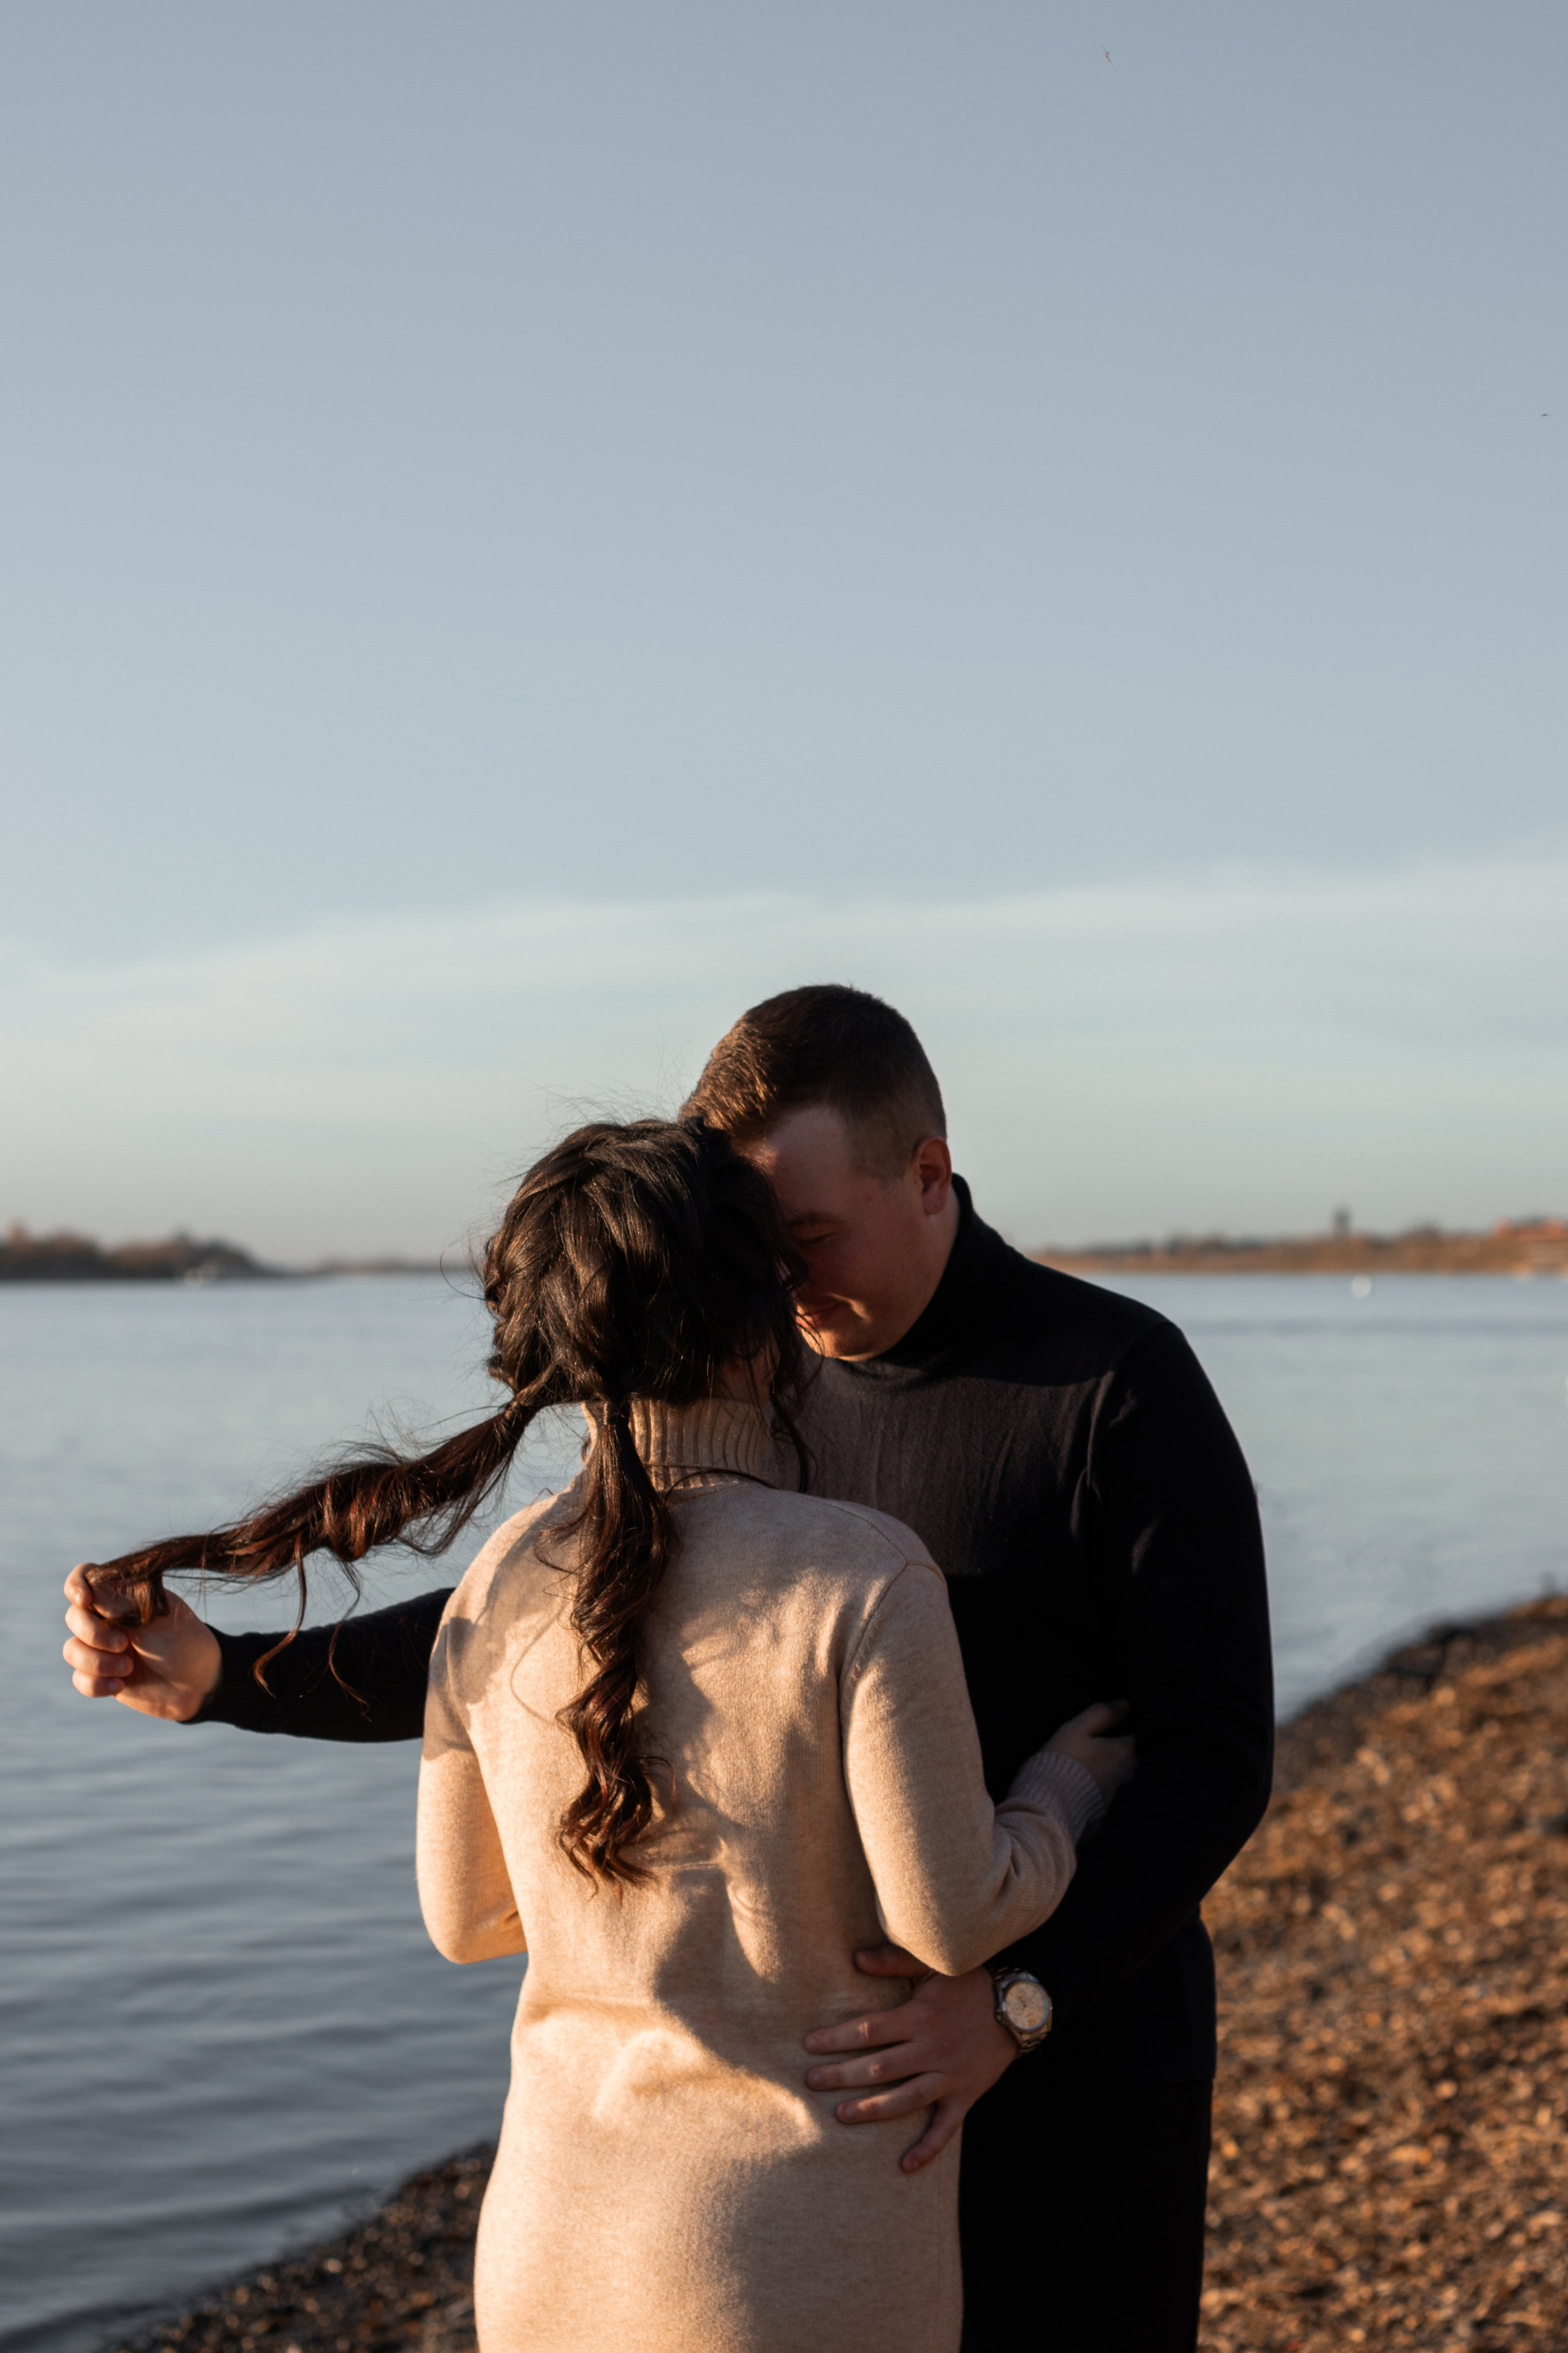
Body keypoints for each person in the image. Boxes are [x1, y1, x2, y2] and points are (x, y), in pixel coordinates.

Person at [65, 985, 1274, 2352]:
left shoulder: (1113, 1379)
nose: (787, 1285)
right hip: (814, 2130)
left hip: (1077, 2065)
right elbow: (513, 1641)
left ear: (927, 1172)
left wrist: (1016, 2001)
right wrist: (228, 1672)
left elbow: (1213, 1750)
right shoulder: (742, 1374)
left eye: (807, 1239)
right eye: (758, 1254)